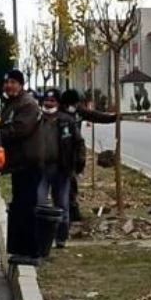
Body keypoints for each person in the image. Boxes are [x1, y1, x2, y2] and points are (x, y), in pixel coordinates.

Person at [0, 69, 44, 264]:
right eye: (7, 82)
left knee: (27, 207)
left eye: (13, 82)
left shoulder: (27, 104)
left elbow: (20, 129)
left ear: (21, 84)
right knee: (19, 207)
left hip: (29, 164)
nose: (9, 86)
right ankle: (21, 250)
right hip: (19, 164)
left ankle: (33, 253)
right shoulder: (13, 103)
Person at [37, 88, 85, 249]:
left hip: (61, 170)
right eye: (46, 100)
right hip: (40, 169)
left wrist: (78, 164)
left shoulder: (66, 121)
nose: (49, 103)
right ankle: (42, 238)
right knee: (40, 203)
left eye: (52, 100)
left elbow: (79, 143)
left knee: (62, 205)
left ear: (58, 103)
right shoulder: (36, 120)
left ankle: (61, 238)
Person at [59, 88, 116, 222]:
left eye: (74, 104)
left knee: (72, 180)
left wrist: (112, 118)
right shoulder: (59, 113)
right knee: (67, 181)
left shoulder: (79, 110)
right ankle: (70, 211)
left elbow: (94, 116)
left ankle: (71, 209)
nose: (72, 107)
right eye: (69, 105)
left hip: (76, 150)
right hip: (61, 152)